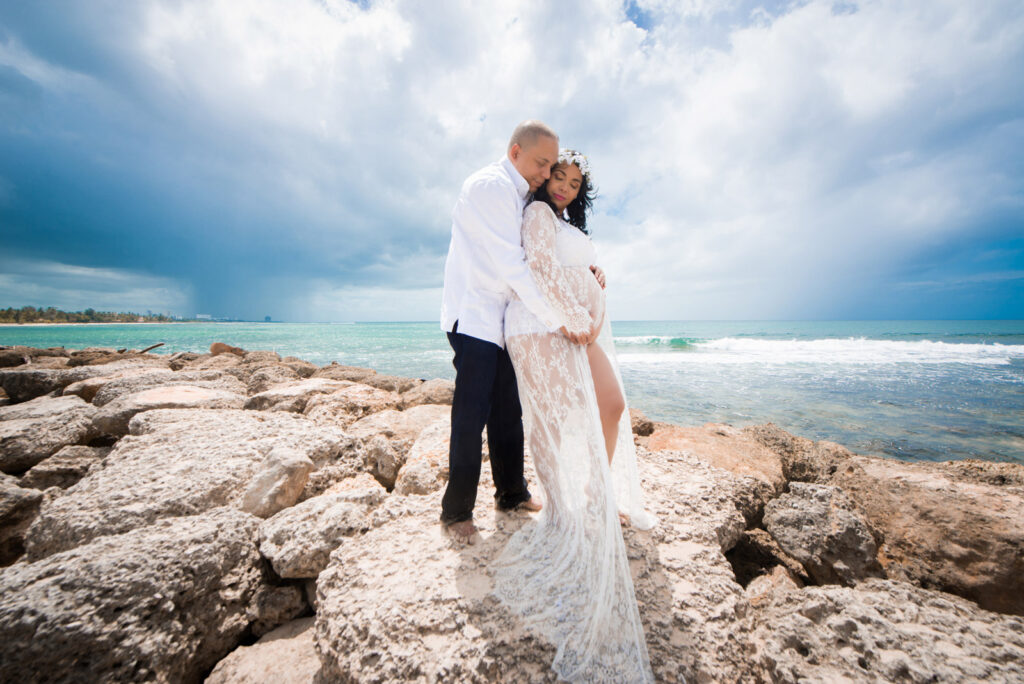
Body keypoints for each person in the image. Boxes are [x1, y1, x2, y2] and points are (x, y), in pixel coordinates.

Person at [492, 149, 658, 683]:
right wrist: (573, 313)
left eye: (573, 181)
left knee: (609, 405)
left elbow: (563, 262)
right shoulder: (536, 213)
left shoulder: (563, 220)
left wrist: (591, 271)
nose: (562, 185)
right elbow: (538, 267)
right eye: (556, 175)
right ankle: (563, 507)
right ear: (543, 177)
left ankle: (594, 494)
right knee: (550, 420)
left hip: (570, 323)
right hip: (544, 325)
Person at [438, 121, 600, 544]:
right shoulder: (491, 187)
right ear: (515, 152)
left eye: (551, 166)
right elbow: (515, 265)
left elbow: (549, 250)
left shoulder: (523, 192)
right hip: (473, 314)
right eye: (542, 164)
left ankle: (511, 494)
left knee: (508, 410)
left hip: (502, 318)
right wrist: (557, 317)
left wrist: (588, 270)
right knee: (471, 416)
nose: (547, 175)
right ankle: (456, 512)